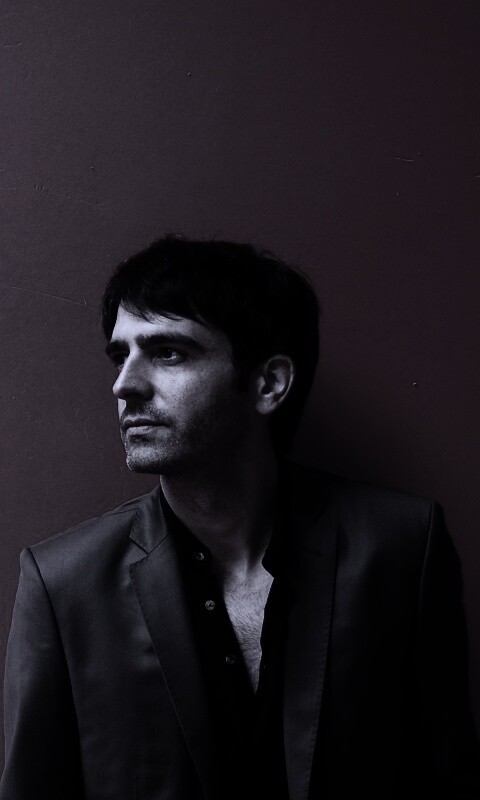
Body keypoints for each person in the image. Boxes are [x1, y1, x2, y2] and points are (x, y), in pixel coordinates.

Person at [1, 235, 479, 800]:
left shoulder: (401, 546)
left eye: (168, 352)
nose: (124, 384)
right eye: (120, 355)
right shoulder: (63, 585)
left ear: (268, 383)